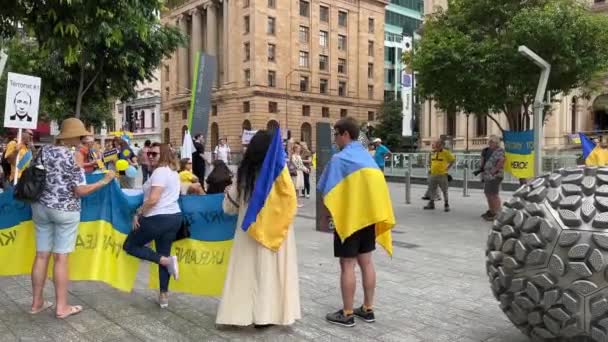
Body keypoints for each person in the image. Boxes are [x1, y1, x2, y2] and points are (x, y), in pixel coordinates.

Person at [30, 118, 115, 319]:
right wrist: (104, 181)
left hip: (40, 207)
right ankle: (61, 307)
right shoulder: (72, 157)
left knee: (41, 255)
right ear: (75, 136)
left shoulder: (43, 151)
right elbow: (79, 190)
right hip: (65, 210)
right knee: (61, 258)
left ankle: (36, 303)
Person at [216, 130, 300, 327]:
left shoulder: (245, 172)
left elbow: (229, 207)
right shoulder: (282, 173)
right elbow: (292, 203)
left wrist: (227, 195)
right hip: (278, 233)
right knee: (272, 274)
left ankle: (241, 314)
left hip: (249, 230)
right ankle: (269, 315)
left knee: (247, 273)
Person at [321, 117, 395, 327]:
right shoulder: (367, 158)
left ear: (345, 134)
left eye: (336, 134)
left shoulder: (340, 159)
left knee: (347, 264)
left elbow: (328, 190)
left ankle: (346, 313)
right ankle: (368, 308)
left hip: (349, 219)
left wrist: (329, 215)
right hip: (368, 218)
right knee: (367, 262)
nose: (334, 139)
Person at [123, 143, 182, 308]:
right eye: (148, 153)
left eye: (154, 154)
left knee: (130, 245)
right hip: (173, 218)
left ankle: (164, 261)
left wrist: (138, 213)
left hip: (157, 217)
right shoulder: (172, 172)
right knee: (165, 253)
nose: (149, 156)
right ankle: (164, 296)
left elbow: (154, 199)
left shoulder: (160, 172)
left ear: (163, 155)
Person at [424, 140, 455, 212]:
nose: (436, 146)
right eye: (435, 144)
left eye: (438, 145)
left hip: (442, 175)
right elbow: (430, 162)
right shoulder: (432, 153)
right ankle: (431, 203)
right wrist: (430, 168)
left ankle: (446, 204)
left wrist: (447, 168)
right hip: (432, 174)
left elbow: (452, 160)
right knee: (432, 189)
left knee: (445, 190)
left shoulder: (446, 152)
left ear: (442, 145)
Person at [481, 135, 505, 221]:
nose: (489, 143)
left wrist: (494, 171)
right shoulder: (492, 151)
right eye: (489, 142)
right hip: (489, 176)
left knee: (494, 194)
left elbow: (502, 160)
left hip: (495, 176)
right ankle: (492, 211)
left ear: (496, 143)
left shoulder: (500, 150)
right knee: (488, 193)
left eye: (491, 142)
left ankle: (498, 213)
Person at [291, 143, 309, 208]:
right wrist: (304, 169)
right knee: (296, 188)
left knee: (298, 189)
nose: (300, 149)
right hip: (296, 173)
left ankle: (296, 202)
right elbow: (297, 165)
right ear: (295, 149)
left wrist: (305, 169)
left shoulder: (298, 156)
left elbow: (301, 164)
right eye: (298, 148)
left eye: (299, 148)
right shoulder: (293, 156)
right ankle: (295, 203)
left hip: (300, 173)